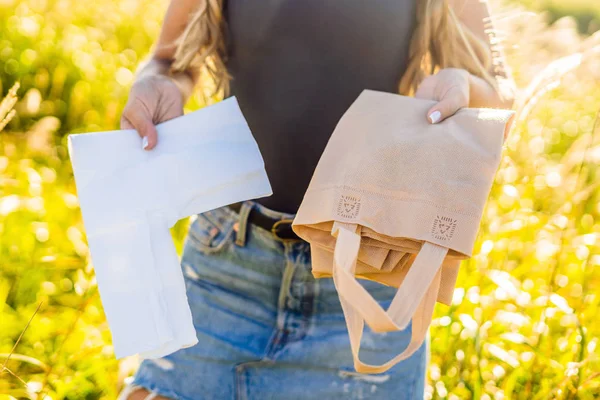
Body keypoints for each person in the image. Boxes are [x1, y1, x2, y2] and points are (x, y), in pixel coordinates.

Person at [118, 0, 515, 398]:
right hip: (227, 267)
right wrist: (158, 82)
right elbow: (168, 59)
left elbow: (500, 91)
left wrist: (464, 86)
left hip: (367, 277)